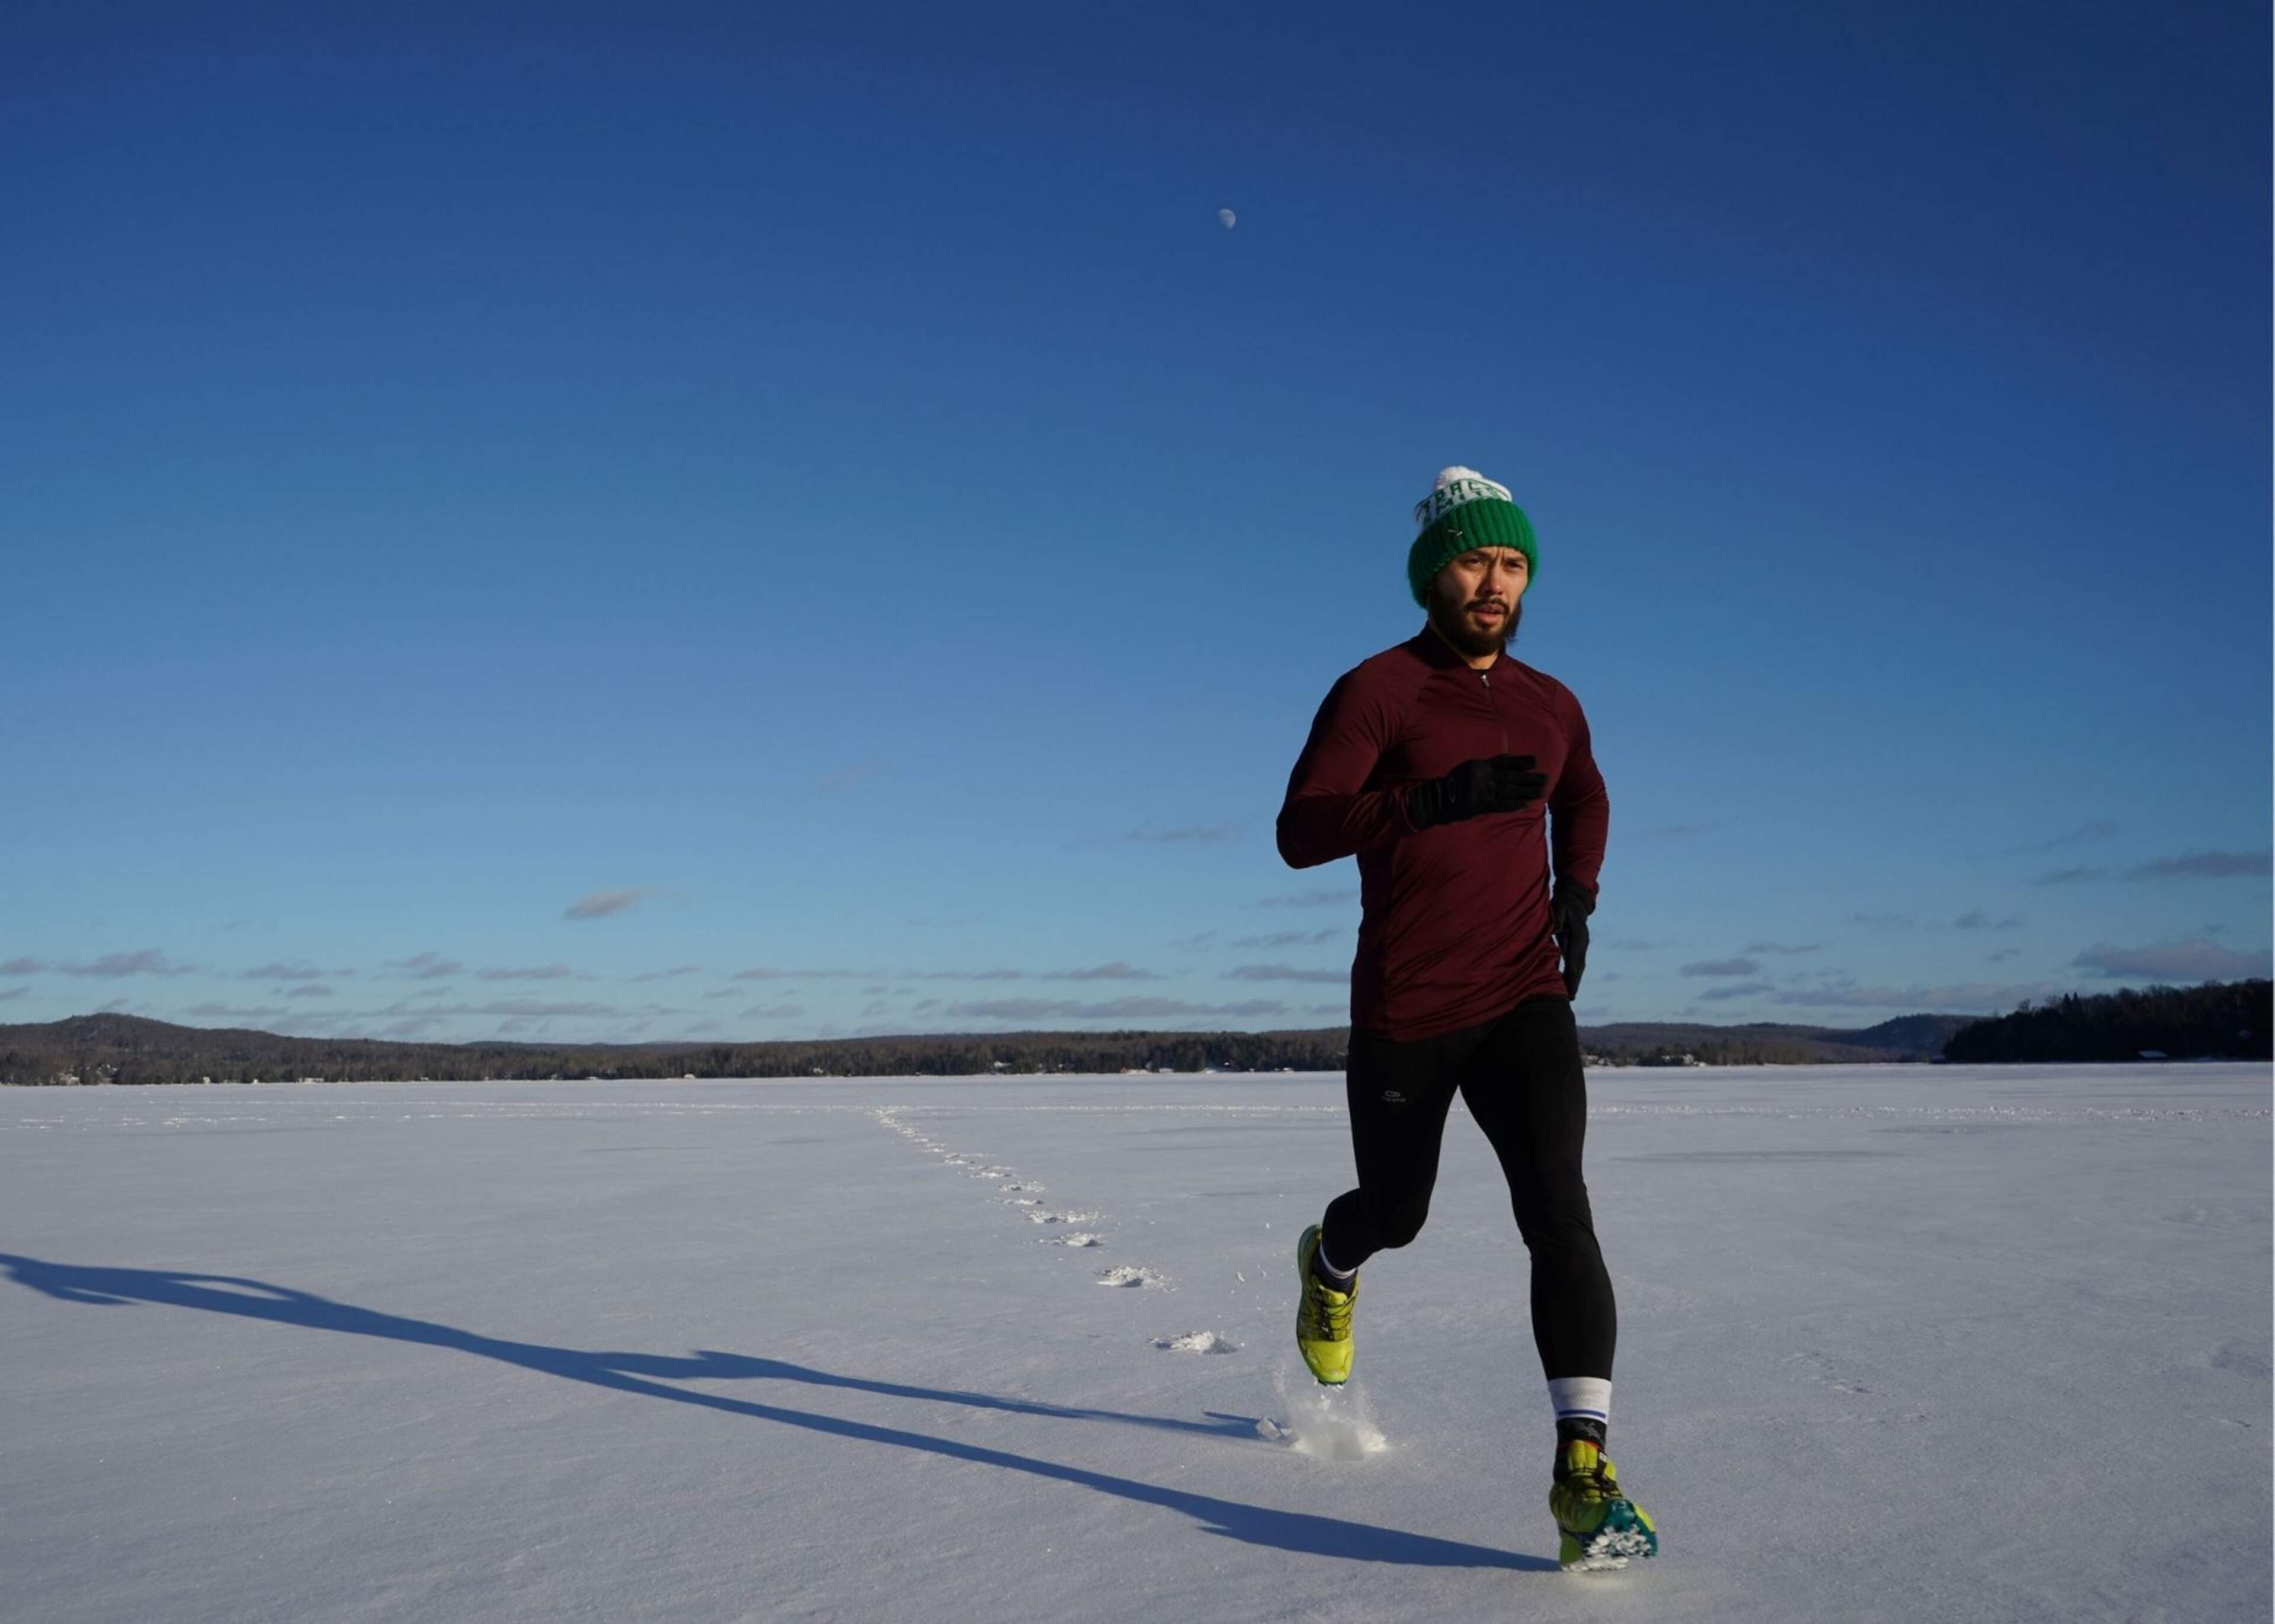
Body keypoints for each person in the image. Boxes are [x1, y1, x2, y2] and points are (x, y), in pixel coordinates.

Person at [1274, 467, 1656, 1572]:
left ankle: (1583, 1470)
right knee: (1397, 1210)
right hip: (1408, 1005)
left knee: (1560, 1210)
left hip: (1524, 993)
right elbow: (1301, 829)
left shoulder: (1552, 702)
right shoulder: (1378, 690)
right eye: (1477, 561)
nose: (1497, 582)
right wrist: (1428, 801)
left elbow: (1584, 790)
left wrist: (1577, 893)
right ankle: (1331, 1263)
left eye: (1514, 563)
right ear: (1433, 574)